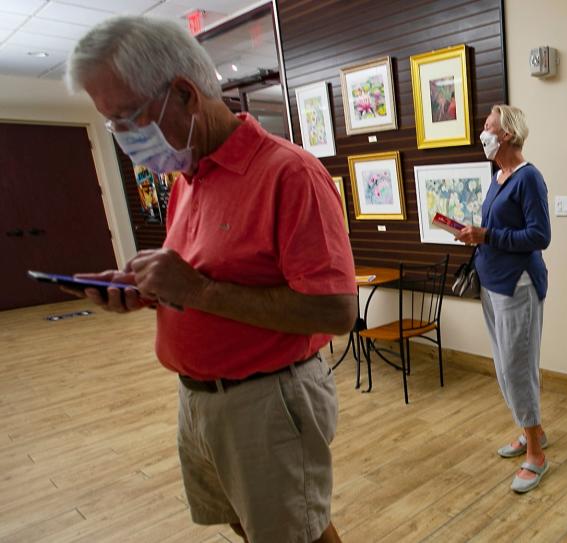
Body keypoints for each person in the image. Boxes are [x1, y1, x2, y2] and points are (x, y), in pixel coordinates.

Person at [64, 17, 356, 543]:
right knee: (250, 523)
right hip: (200, 398)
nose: (125, 139)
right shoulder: (188, 179)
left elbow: (335, 312)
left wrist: (194, 291)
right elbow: (198, 283)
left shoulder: (290, 174)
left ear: (183, 93)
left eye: (127, 118)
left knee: (296, 532)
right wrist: (146, 290)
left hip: (266, 401)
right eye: (111, 125)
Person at [454, 105, 552, 493]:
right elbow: (494, 229)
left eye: (489, 127)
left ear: (508, 134)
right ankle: (534, 432)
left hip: (519, 285)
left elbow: (539, 236)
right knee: (503, 366)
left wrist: (487, 237)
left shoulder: (529, 178)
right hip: (492, 282)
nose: (483, 133)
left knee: (518, 368)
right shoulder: (498, 176)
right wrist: (473, 233)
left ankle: (536, 455)